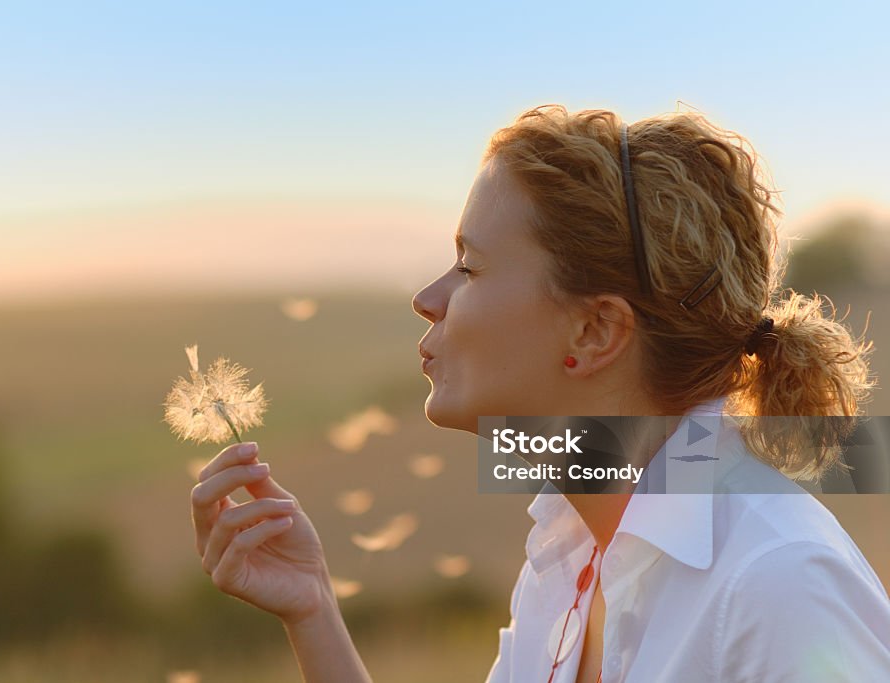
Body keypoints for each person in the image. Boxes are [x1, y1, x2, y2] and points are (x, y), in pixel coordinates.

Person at [189, 104, 890, 681]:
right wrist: (312, 608)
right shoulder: (573, 553)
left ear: (594, 329)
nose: (427, 298)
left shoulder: (778, 583)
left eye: (469, 266)